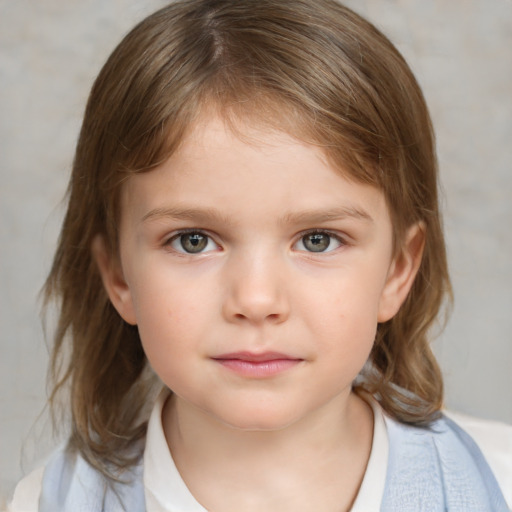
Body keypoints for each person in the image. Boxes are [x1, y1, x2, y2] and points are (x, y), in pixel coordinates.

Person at [8, 0, 512, 510]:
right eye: (193, 240)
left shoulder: (500, 480)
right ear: (118, 275)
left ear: (397, 270)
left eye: (317, 239)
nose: (255, 299)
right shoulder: (45, 503)